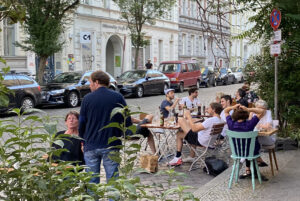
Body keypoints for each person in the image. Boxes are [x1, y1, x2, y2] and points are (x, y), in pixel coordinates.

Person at [79, 70, 132, 184]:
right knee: (113, 180)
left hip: (91, 144)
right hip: (111, 144)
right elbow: (126, 119)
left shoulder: (87, 99)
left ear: (96, 82)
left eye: (90, 82)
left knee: (92, 182)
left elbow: (82, 122)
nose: (89, 85)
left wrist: (82, 141)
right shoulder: (118, 97)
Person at [224, 104, 268, 181]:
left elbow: (226, 111)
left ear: (234, 115)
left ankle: (246, 164)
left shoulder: (231, 124)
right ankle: (256, 162)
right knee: (253, 144)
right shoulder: (250, 124)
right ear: (246, 115)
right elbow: (262, 112)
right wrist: (248, 109)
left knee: (248, 146)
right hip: (251, 152)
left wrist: (233, 107)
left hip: (237, 152)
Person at [250, 99, 275, 167]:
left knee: (250, 143)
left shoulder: (268, 113)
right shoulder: (254, 113)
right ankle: (257, 160)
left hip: (268, 138)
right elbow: (249, 125)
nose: (259, 111)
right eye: (258, 109)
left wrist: (258, 125)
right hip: (257, 137)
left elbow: (267, 127)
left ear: (265, 109)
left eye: (261, 109)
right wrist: (251, 114)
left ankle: (253, 162)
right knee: (251, 142)